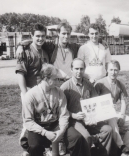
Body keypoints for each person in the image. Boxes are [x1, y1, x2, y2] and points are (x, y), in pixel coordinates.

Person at [22, 63, 90, 156]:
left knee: (76, 138)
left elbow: (64, 114)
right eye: (55, 79)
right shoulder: (30, 95)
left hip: (56, 125)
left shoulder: (59, 92)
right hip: (38, 127)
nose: (58, 81)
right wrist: (45, 132)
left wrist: (61, 131)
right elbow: (28, 121)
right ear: (46, 78)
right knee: (34, 146)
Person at [16, 22, 109, 83]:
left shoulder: (74, 47)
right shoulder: (50, 46)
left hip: (70, 82)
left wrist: (100, 41)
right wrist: (20, 45)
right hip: (56, 82)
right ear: (58, 33)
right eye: (63, 33)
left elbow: (89, 44)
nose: (66, 36)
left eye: (68, 33)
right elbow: (36, 41)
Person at [60, 58, 116, 156]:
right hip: (75, 121)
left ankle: (101, 154)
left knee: (108, 129)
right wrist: (73, 115)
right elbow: (60, 109)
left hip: (90, 118)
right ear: (71, 69)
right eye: (76, 68)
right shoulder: (65, 87)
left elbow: (96, 102)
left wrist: (100, 113)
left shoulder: (88, 84)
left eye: (81, 69)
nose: (79, 71)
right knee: (86, 137)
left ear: (84, 69)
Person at [15, 23, 50, 156]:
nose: (40, 39)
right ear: (31, 36)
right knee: (28, 122)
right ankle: (26, 149)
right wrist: (26, 95)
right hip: (29, 92)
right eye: (37, 36)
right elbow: (20, 75)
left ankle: (40, 149)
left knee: (43, 121)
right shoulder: (25, 51)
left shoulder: (45, 49)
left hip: (44, 94)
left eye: (43, 36)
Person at [94, 60, 129, 156]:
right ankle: (121, 146)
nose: (113, 72)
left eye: (115, 70)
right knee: (112, 117)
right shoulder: (99, 84)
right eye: (111, 69)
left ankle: (124, 149)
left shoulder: (120, 84)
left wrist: (122, 116)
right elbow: (94, 103)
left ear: (119, 71)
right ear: (106, 70)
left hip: (113, 112)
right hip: (101, 115)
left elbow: (123, 102)